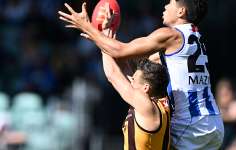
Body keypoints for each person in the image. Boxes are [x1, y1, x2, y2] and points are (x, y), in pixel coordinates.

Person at [58, 0, 224, 149]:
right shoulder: (194, 37)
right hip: (213, 122)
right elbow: (131, 63)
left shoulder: (170, 35)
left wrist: (87, 26)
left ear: (181, 12)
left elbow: (119, 53)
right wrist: (107, 33)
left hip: (189, 125)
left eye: (170, 2)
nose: (165, 6)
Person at [101, 29, 171, 149]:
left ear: (146, 88)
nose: (130, 80)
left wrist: (101, 41)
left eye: (134, 79)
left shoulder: (146, 107)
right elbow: (123, 67)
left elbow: (112, 75)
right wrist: (108, 37)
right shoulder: (159, 104)